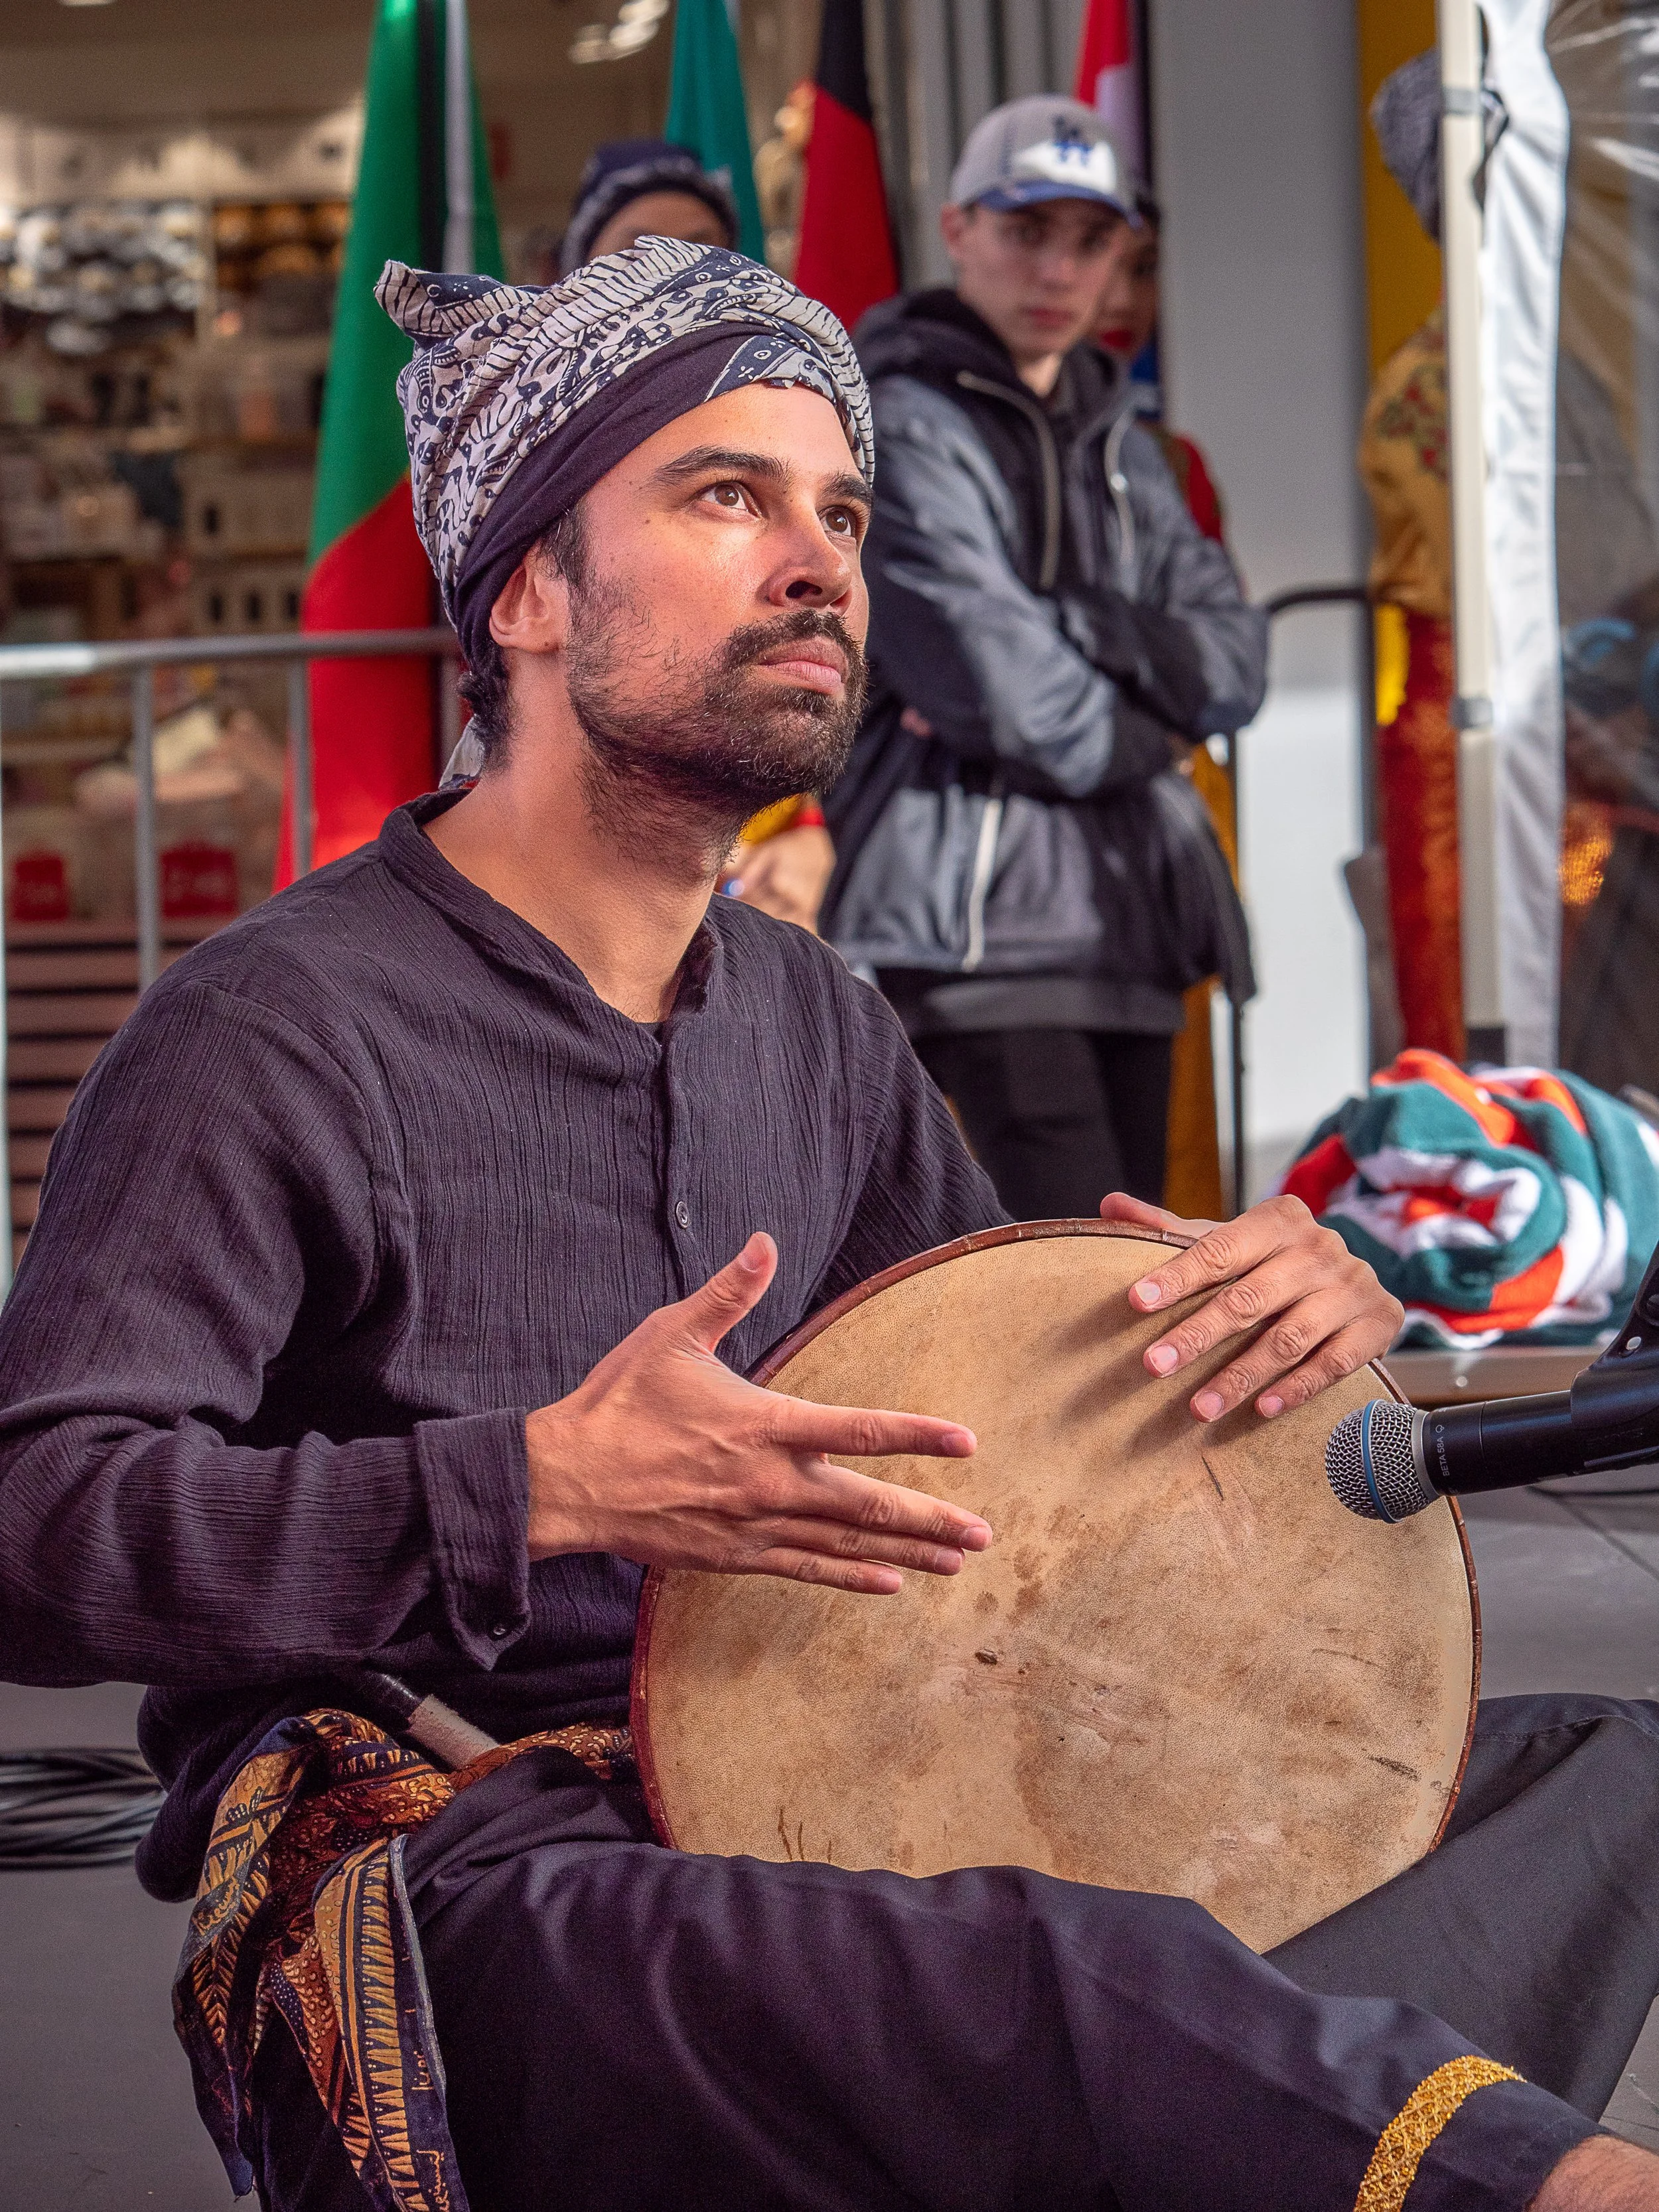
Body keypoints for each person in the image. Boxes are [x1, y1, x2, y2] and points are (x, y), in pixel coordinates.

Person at [1, 238, 1657, 2212]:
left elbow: (1012, 1469)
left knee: (1582, 1769)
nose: (822, 564)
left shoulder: (820, 1027)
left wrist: (1263, 1308)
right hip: (476, 1880)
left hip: (823, 1801)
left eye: (842, 509)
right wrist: (529, 1485)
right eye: (725, 496)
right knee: (1070, 1969)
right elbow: (39, 1535)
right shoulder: (274, 1027)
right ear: (524, 590)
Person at [820, 96, 1263, 1217]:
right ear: (959, 226)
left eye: (1093, 239)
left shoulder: (1122, 433)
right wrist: (1154, 720)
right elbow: (1006, 699)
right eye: (1029, 231)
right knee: (1068, 1303)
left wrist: (1085, 624)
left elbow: (1235, 661)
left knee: (1133, 1286)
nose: (1060, 269)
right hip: (981, 935)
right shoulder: (901, 423)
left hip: (1134, 929)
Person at [555, 136, 833, 930]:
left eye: (706, 249)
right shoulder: (529, 460)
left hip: (751, 879)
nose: (677, 272)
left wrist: (803, 827)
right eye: (640, 250)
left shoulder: (790, 425)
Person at [1094, 186, 1239, 1220]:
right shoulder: (951, 451)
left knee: (1176, 1128)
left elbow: (1227, 664)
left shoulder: (1175, 467)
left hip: (1169, 815)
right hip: (1022, 847)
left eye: (1141, 266)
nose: (1116, 292)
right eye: (1093, 253)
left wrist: (1080, 636)